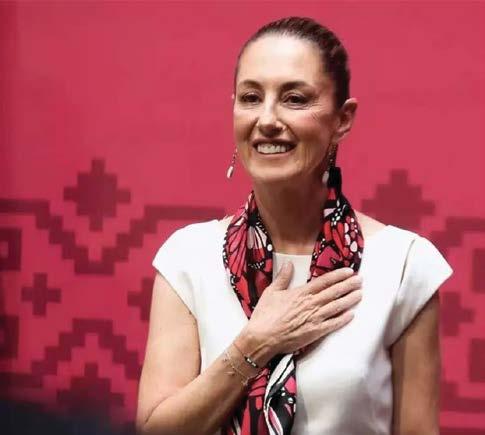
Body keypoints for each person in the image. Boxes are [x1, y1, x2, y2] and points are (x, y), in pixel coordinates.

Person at [136, 16, 453, 435]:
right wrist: (257, 342)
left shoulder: (404, 266)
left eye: (294, 99)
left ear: (342, 119)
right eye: (251, 97)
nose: (267, 119)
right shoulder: (187, 258)